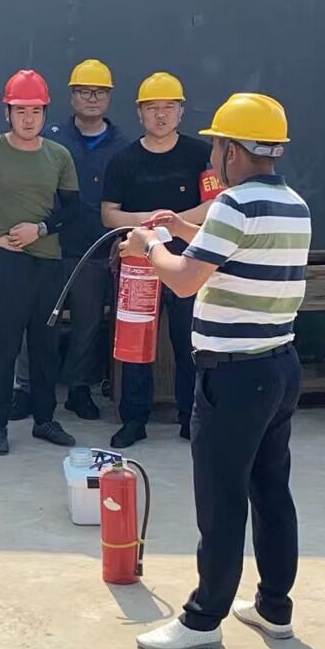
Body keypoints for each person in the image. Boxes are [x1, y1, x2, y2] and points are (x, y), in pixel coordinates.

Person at [129, 93, 310, 649]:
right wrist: (183, 227)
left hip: (233, 377)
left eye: (215, 147)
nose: (211, 158)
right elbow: (233, 251)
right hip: (278, 366)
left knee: (221, 498)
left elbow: (184, 280)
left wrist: (150, 245)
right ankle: (274, 607)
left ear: (233, 150)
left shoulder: (233, 204)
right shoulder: (292, 204)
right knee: (270, 491)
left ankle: (203, 618)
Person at [0, 70, 81, 456]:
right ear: (7, 112)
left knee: (45, 347)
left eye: (36, 111)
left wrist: (41, 228)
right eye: (20, 110)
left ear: (45, 113)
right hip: (8, 264)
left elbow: (72, 209)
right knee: (4, 346)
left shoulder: (58, 155)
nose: (28, 118)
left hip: (48, 263)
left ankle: (45, 420)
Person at [100, 72, 209, 447]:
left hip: (188, 261)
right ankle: (134, 419)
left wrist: (173, 223)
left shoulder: (201, 155)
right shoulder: (123, 160)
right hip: (138, 266)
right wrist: (149, 221)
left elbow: (213, 205)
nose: (161, 115)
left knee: (190, 343)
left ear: (181, 111)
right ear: (139, 113)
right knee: (135, 345)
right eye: (152, 108)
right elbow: (109, 214)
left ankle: (191, 418)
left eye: (168, 107)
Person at [46, 58, 128, 423]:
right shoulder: (51, 139)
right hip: (50, 245)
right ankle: (31, 388)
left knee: (88, 324)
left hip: (96, 247)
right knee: (39, 320)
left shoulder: (123, 146)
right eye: (84, 91)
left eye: (100, 92)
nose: (92, 99)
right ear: (72, 96)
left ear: (109, 97)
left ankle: (79, 390)